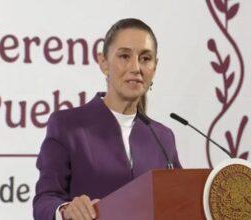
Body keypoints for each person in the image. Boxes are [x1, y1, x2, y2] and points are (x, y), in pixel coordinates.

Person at [33, 18, 182, 220]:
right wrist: (66, 210)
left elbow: (180, 202)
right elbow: (45, 201)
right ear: (103, 63)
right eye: (124, 56)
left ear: (154, 67)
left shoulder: (162, 138)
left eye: (146, 58)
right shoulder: (67, 126)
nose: (136, 67)